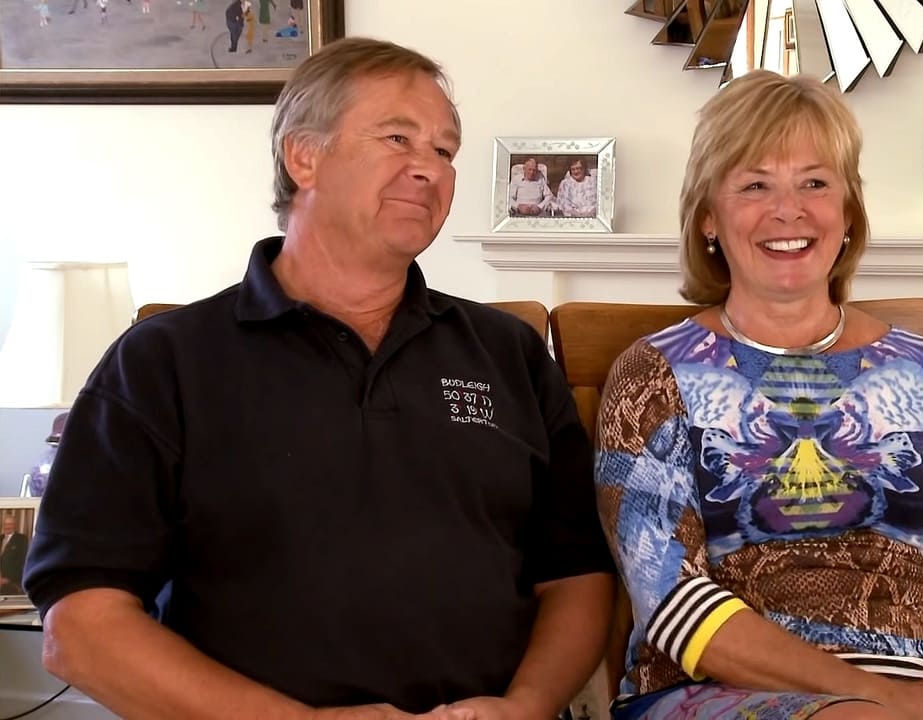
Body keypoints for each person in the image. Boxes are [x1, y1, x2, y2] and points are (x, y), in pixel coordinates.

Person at [23, 37, 614, 720]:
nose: (429, 169)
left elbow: (575, 577)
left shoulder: (508, 353)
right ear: (303, 157)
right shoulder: (162, 362)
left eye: (445, 150)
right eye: (398, 138)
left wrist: (527, 706)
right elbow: (82, 626)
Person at [593, 70, 923, 720]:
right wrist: (900, 702)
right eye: (755, 185)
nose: (789, 210)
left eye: (815, 183)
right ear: (708, 218)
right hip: (713, 692)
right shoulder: (654, 375)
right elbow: (674, 605)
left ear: (849, 213)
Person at [0, 514, 29, 595]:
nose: (7, 526)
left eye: (10, 524)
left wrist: (8, 579)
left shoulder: (22, 539)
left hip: (12, 582)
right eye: (5, 524)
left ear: (15, 525)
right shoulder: (0, 538)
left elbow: (22, 562)